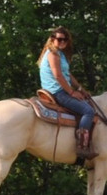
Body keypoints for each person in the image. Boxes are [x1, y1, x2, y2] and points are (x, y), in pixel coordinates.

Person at [38, 26, 97, 160]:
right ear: (52, 39)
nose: (63, 42)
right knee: (88, 111)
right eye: (59, 39)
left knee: (85, 103)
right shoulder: (52, 54)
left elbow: (67, 75)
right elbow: (58, 76)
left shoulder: (60, 54)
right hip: (57, 92)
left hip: (59, 90)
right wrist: (72, 92)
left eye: (65, 40)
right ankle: (82, 146)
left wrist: (81, 89)